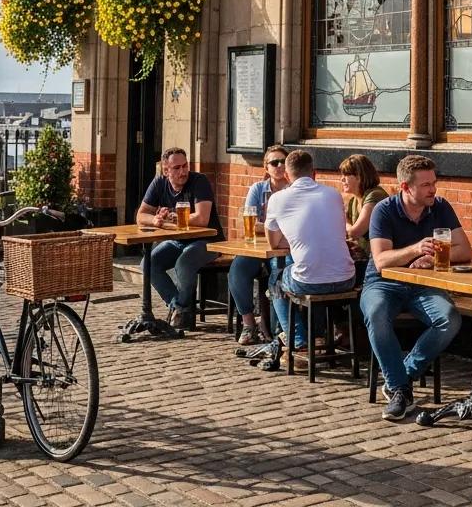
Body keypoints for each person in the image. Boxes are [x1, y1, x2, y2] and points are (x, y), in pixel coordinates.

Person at [361, 154, 472, 421]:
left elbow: (465, 250)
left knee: (449, 319)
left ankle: (401, 379)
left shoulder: (440, 206)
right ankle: (400, 388)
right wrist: (414, 249)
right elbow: (380, 260)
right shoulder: (384, 210)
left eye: (433, 183)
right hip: (383, 282)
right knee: (376, 314)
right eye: (425, 185)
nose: (433, 189)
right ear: (405, 187)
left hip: (423, 283)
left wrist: (432, 258)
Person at [261, 149, 356, 370]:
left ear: (286, 175)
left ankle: (300, 343)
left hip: (309, 281)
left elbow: (274, 243)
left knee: (276, 278)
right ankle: (320, 338)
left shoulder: (277, 199)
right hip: (347, 278)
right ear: (314, 173)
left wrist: (295, 242)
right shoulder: (333, 194)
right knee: (313, 270)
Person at [136, 147, 223, 330]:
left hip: (208, 241)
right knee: (148, 264)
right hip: (178, 240)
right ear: (166, 170)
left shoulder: (199, 181)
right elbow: (141, 215)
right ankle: (178, 306)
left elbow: (202, 218)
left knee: (183, 263)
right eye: (177, 168)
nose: (183, 172)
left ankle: (181, 310)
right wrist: (155, 219)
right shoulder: (159, 183)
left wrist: (176, 216)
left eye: (185, 166)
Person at [229, 144, 290, 346]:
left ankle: (279, 330)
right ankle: (249, 324)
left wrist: (269, 228)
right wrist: (273, 228)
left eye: (283, 161)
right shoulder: (258, 189)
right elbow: (249, 223)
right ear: (266, 168)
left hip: (283, 249)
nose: (279, 165)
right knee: (237, 269)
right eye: (274, 162)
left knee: (278, 271)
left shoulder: (293, 190)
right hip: (258, 248)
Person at [339, 153, 389, 262]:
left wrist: (344, 221)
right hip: (363, 258)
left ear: (359, 176)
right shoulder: (353, 201)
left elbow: (355, 232)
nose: (342, 179)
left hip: (378, 259)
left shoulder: (375, 195)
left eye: (346, 175)